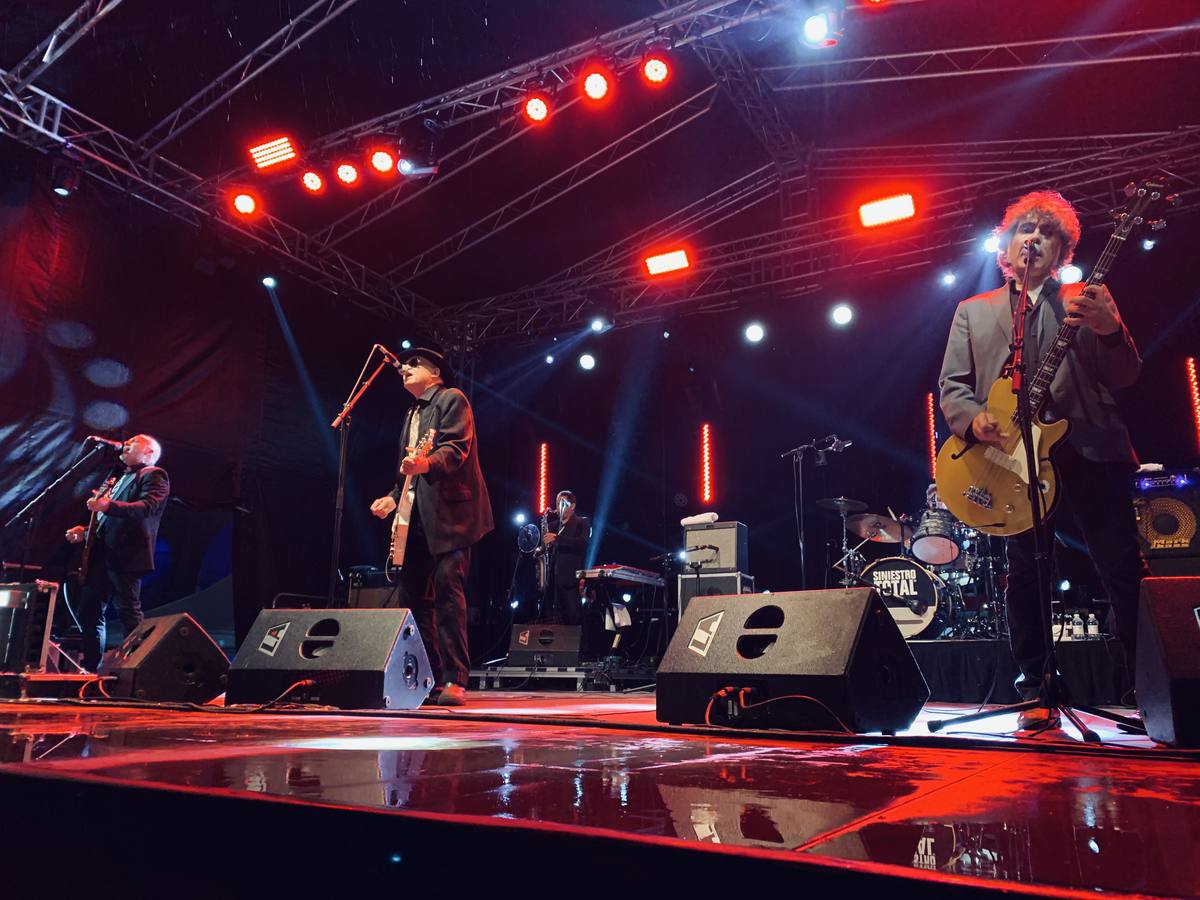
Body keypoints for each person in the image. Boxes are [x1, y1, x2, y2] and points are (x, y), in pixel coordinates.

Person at [938, 189, 1149, 728]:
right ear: (1007, 245)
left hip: (1089, 448)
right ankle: (1034, 687)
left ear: (1061, 251)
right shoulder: (973, 311)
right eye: (1024, 229)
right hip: (1011, 458)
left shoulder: (1084, 298)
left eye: (1046, 232)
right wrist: (972, 420)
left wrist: (1109, 329)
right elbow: (953, 387)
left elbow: (1125, 376)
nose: (1033, 236)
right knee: (1026, 573)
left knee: (1121, 568)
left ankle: (1153, 685)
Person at [370, 346, 493, 706]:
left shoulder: (452, 399)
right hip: (416, 516)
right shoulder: (412, 412)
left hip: (451, 515)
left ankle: (456, 678)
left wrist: (424, 464)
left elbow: (456, 449)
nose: (404, 368)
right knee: (413, 597)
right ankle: (428, 676)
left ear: (435, 372)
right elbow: (406, 469)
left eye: (414, 364)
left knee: (448, 592)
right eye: (404, 364)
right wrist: (394, 496)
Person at [65, 434, 170, 672]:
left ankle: (138, 668)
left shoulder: (154, 474)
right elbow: (106, 518)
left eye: (134, 441)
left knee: (128, 612)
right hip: (101, 554)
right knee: (89, 613)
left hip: (126, 555)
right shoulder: (119, 477)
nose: (127, 443)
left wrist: (107, 505)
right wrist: (85, 531)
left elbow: (147, 508)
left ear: (149, 453)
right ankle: (92, 670)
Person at [540, 490, 591, 625]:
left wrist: (557, 538)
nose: (558, 506)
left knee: (572, 621)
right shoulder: (553, 526)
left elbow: (582, 543)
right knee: (554, 623)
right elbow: (545, 548)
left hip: (571, 581)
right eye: (557, 503)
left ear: (573, 506)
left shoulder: (582, 522)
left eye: (563, 502)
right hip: (552, 582)